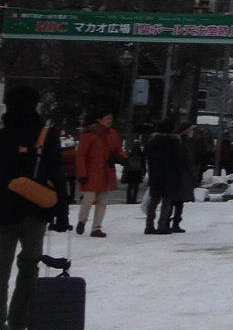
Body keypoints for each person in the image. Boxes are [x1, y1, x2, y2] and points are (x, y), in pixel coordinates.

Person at [2, 86, 72, 327]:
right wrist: (61, 212)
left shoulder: (2, 132)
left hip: (2, 211)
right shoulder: (45, 133)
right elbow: (56, 172)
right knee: (30, 265)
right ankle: (19, 320)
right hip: (36, 209)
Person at [75, 108, 125, 237]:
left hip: (106, 172)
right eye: (107, 118)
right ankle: (82, 220)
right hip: (91, 172)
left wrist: (121, 157)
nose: (109, 121)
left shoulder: (112, 134)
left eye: (111, 119)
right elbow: (81, 155)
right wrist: (82, 173)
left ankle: (96, 228)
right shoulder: (89, 135)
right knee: (88, 199)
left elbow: (118, 149)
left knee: (102, 201)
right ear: (99, 120)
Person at [144, 119, 193, 234]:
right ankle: (162, 226)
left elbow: (148, 157)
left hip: (155, 175)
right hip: (170, 175)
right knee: (167, 202)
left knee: (154, 201)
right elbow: (179, 160)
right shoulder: (174, 142)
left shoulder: (152, 142)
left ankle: (149, 225)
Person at [121, 134, 147, 205]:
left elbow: (125, 163)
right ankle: (134, 199)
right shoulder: (141, 154)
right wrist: (144, 171)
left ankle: (128, 199)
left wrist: (124, 171)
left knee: (129, 187)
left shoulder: (130, 153)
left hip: (130, 172)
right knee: (136, 187)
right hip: (137, 172)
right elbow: (143, 163)